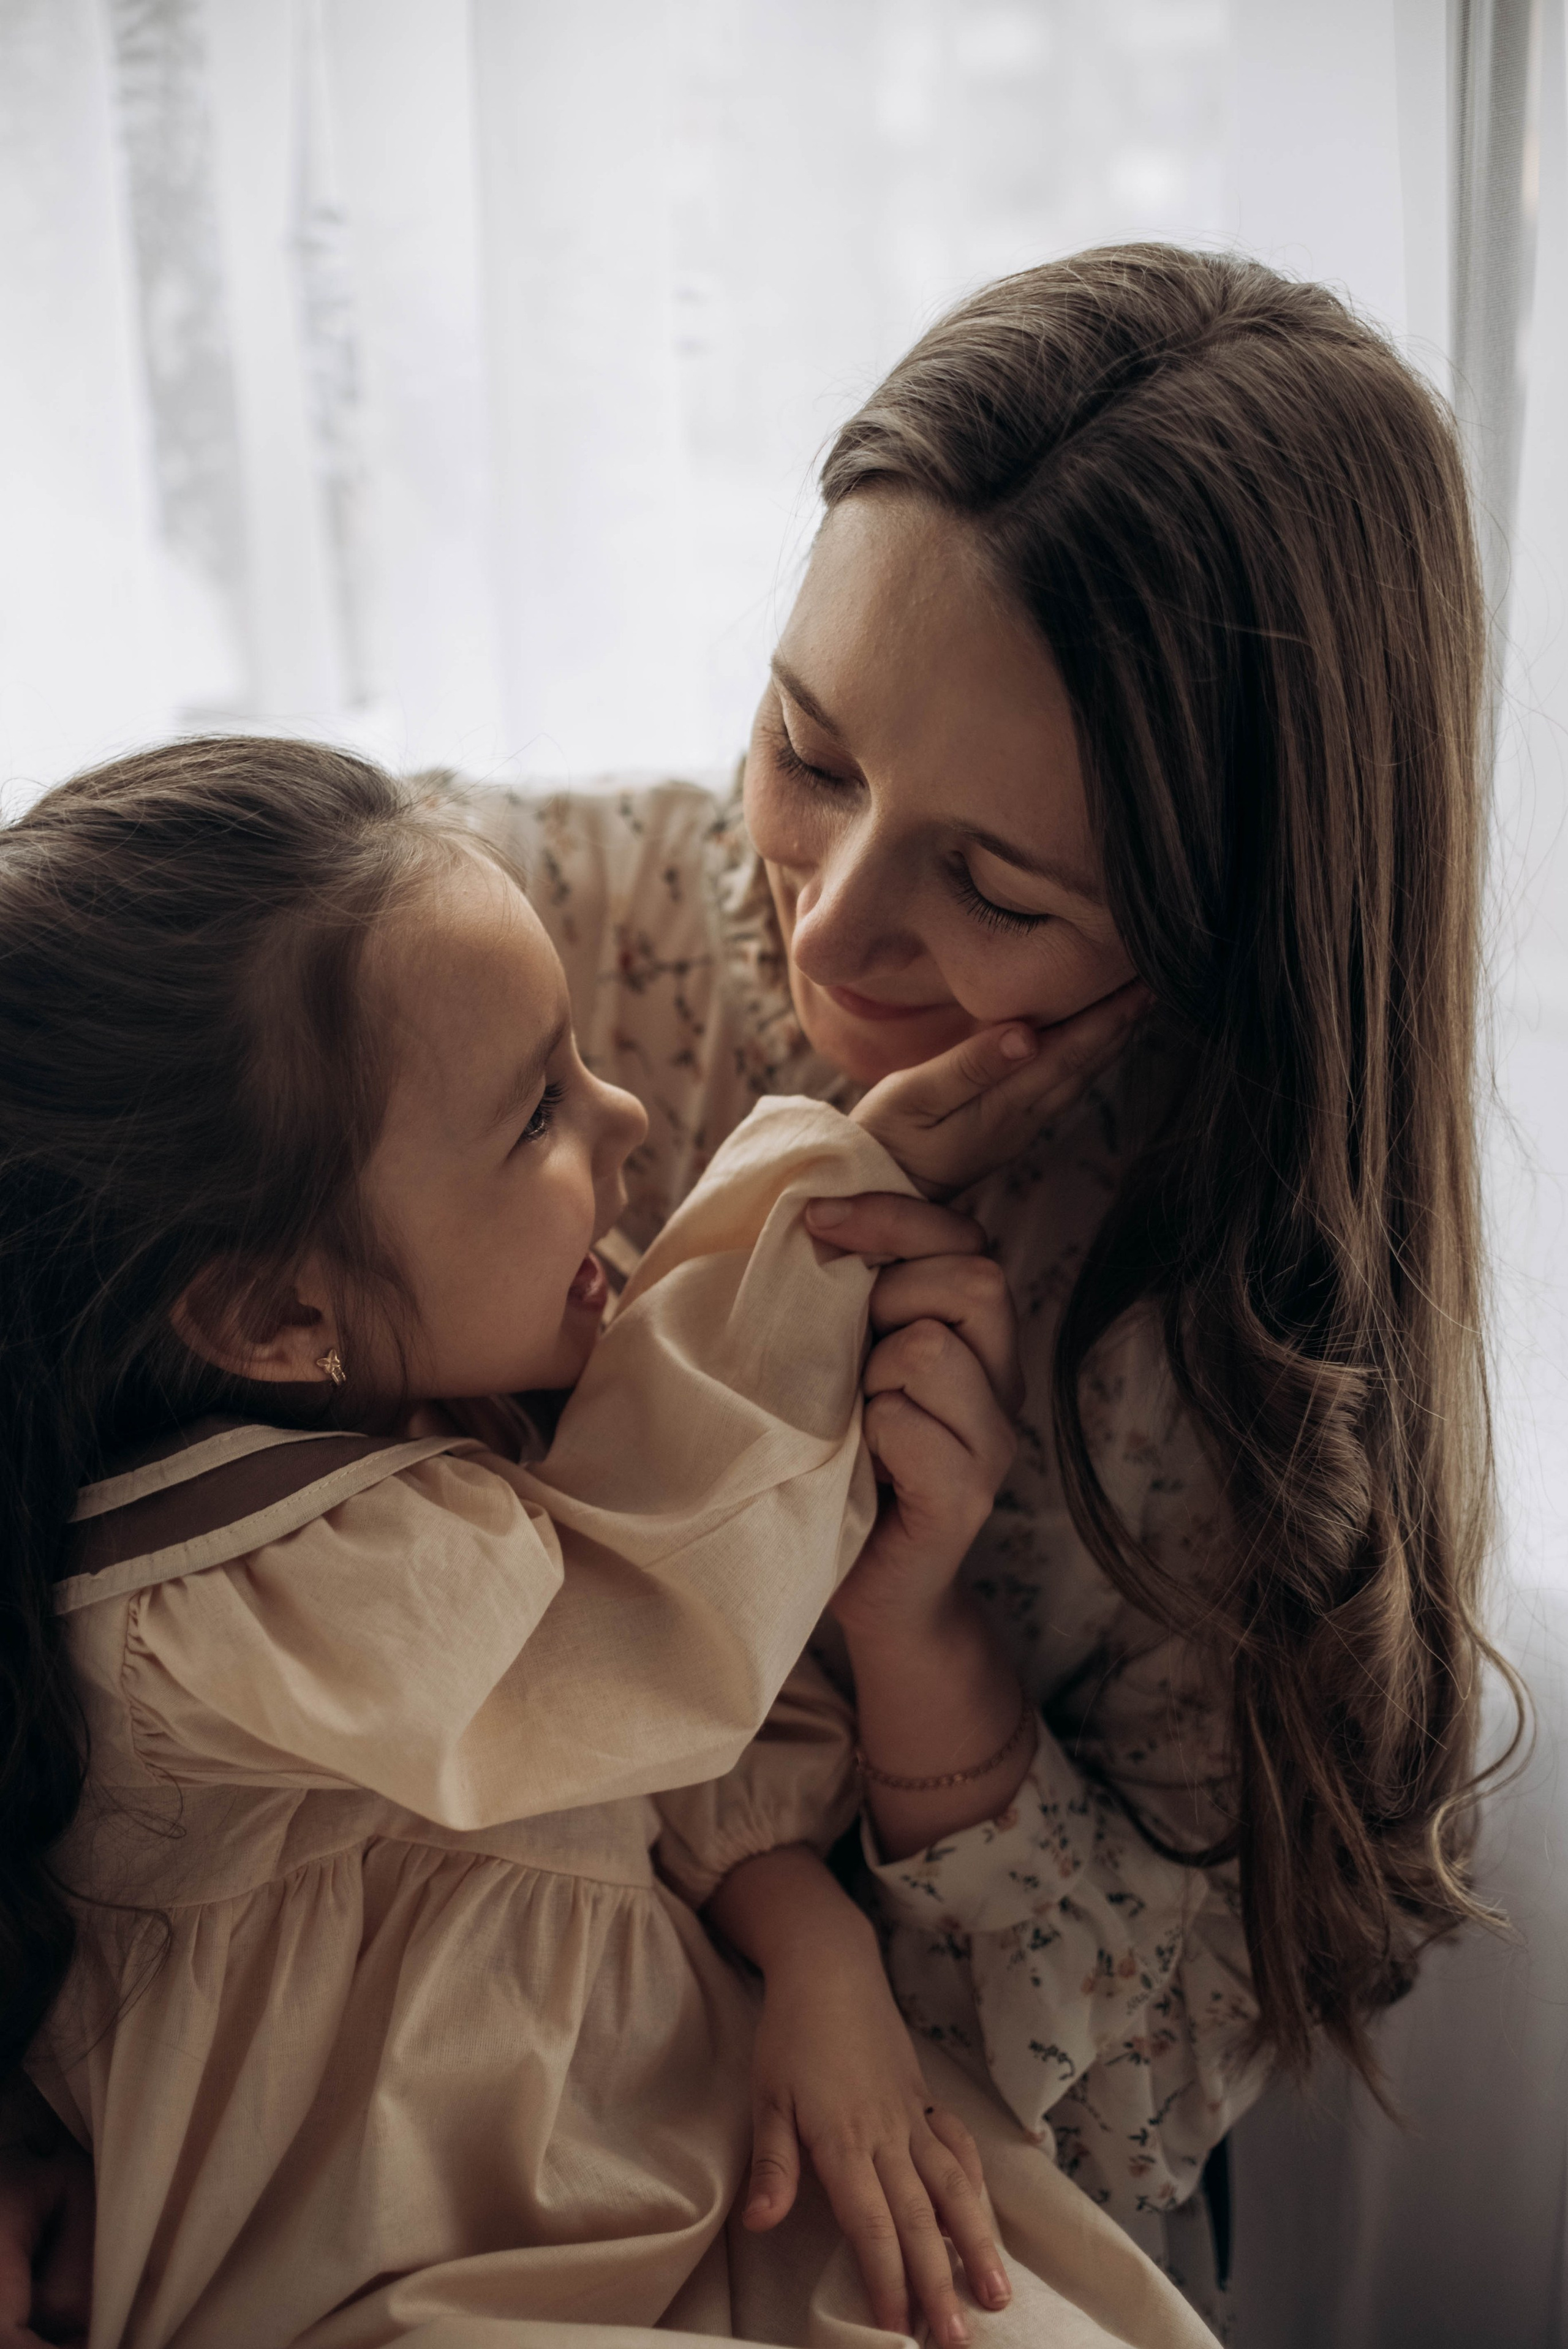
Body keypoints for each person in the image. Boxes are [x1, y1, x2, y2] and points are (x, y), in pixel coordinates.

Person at [1, 239, 1510, 2332]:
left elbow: (1151, 2110)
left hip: (886, 2188)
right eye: (808, 749)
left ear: (1219, 925)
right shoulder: (520, 931)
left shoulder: (1230, 1368)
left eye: (992, 883)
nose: (832, 933)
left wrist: (922, 1657)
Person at [0, 736, 1213, 2349]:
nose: (635, 1114)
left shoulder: (477, 1409)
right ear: (276, 1313)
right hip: (404, 2276)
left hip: (686, 2145)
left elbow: (680, 1720)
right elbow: (644, 1631)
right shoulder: (212, 1605)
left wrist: (815, 1939)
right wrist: (820, 1191)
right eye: (537, 1117)